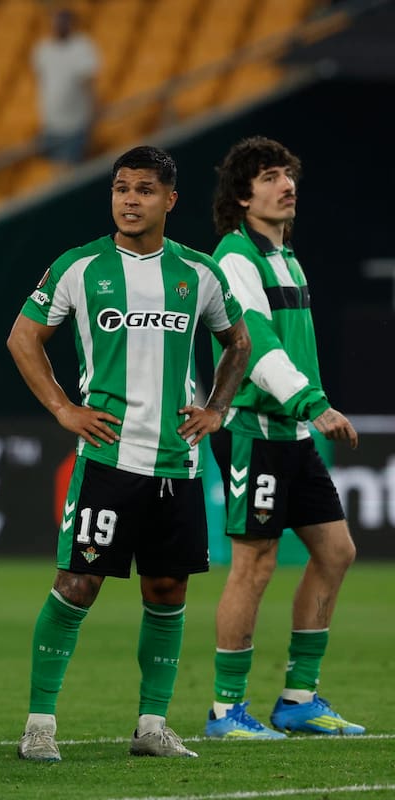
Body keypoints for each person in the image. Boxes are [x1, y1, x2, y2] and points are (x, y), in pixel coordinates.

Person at [6, 145, 251, 762]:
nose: (130, 200)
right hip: (110, 459)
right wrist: (64, 409)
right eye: (121, 188)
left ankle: (151, 725)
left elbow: (237, 343)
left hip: (180, 463)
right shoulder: (80, 266)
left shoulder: (199, 273)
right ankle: (39, 724)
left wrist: (217, 407)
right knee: (77, 584)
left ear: (170, 200)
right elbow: (24, 337)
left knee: (168, 589)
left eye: (144, 190)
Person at [203, 136, 364, 740]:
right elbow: (256, 344)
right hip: (254, 430)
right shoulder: (235, 258)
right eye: (270, 176)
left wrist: (304, 412)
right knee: (254, 563)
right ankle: (225, 711)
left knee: (336, 552)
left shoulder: (286, 258)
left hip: (290, 432)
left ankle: (298, 699)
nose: (286, 184)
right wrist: (312, 403)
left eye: (289, 174)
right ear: (243, 195)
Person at [31, 8, 99, 166]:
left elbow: (88, 81)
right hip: (50, 123)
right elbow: (40, 79)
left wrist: (95, 108)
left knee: (70, 168)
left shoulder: (82, 47)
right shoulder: (43, 49)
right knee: (51, 169)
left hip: (76, 123)